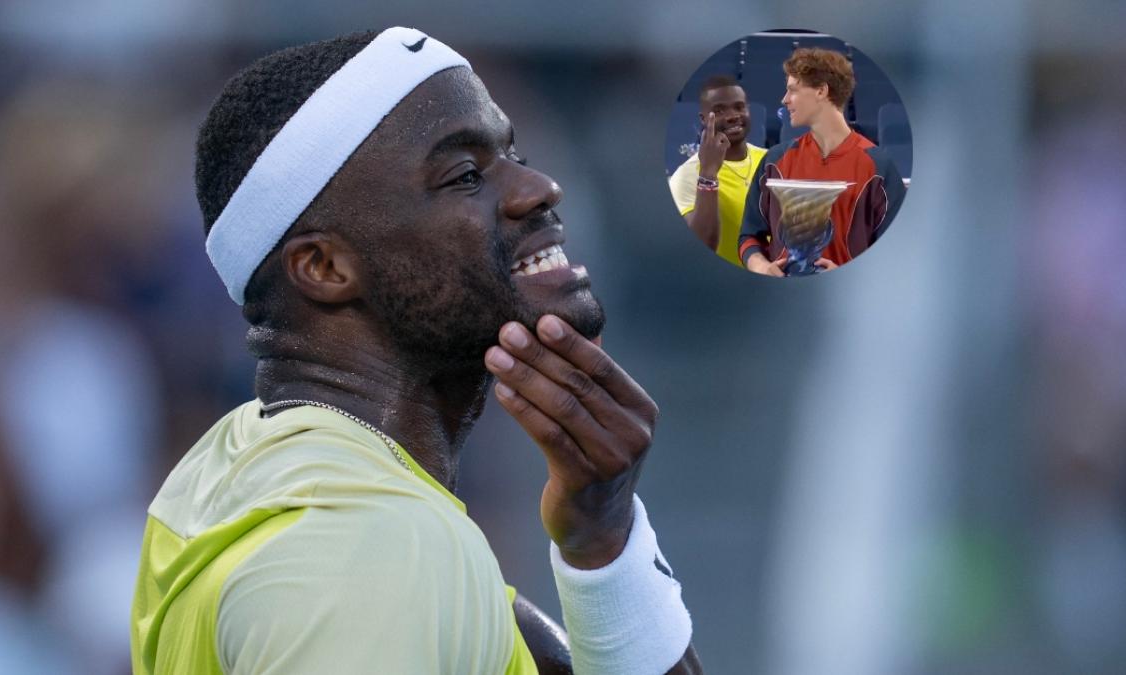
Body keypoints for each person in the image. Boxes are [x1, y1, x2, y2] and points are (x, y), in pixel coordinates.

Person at [130, 28, 702, 675]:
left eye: (512, 153)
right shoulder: (367, 547)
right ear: (323, 265)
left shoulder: (244, 476)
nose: (538, 187)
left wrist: (604, 542)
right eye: (464, 175)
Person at [739, 48, 906, 277]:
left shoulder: (879, 168)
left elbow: (896, 254)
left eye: (792, 90)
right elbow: (749, 237)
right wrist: (762, 267)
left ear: (821, 91)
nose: (784, 99)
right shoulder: (774, 161)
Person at [667, 76, 767, 267]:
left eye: (739, 107)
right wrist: (708, 173)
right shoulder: (686, 176)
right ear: (703, 119)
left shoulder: (771, 161)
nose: (732, 116)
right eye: (719, 110)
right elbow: (701, 248)